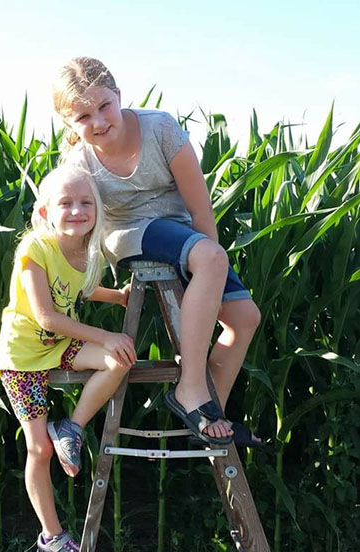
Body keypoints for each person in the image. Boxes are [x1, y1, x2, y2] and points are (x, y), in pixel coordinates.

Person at [52, 57, 261, 447]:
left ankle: (207, 409)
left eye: (104, 106)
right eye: (82, 117)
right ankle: (191, 388)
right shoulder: (78, 163)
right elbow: (71, 226)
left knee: (244, 317)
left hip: (181, 233)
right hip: (128, 233)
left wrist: (210, 270)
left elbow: (200, 210)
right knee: (209, 258)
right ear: (69, 124)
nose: (98, 122)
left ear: (118, 95)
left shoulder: (160, 128)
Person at [0, 166, 136, 552]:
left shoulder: (83, 252)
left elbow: (82, 288)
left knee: (119, 361)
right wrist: (105, 334)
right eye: (66, 203)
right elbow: (47, 315)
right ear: (44, 213)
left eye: (86, 202)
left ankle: (71, 426)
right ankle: (51, 541)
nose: (77, 210)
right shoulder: (34, 249)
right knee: (38, 449)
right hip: (23, 356)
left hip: (57, 348)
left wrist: (118, 298)